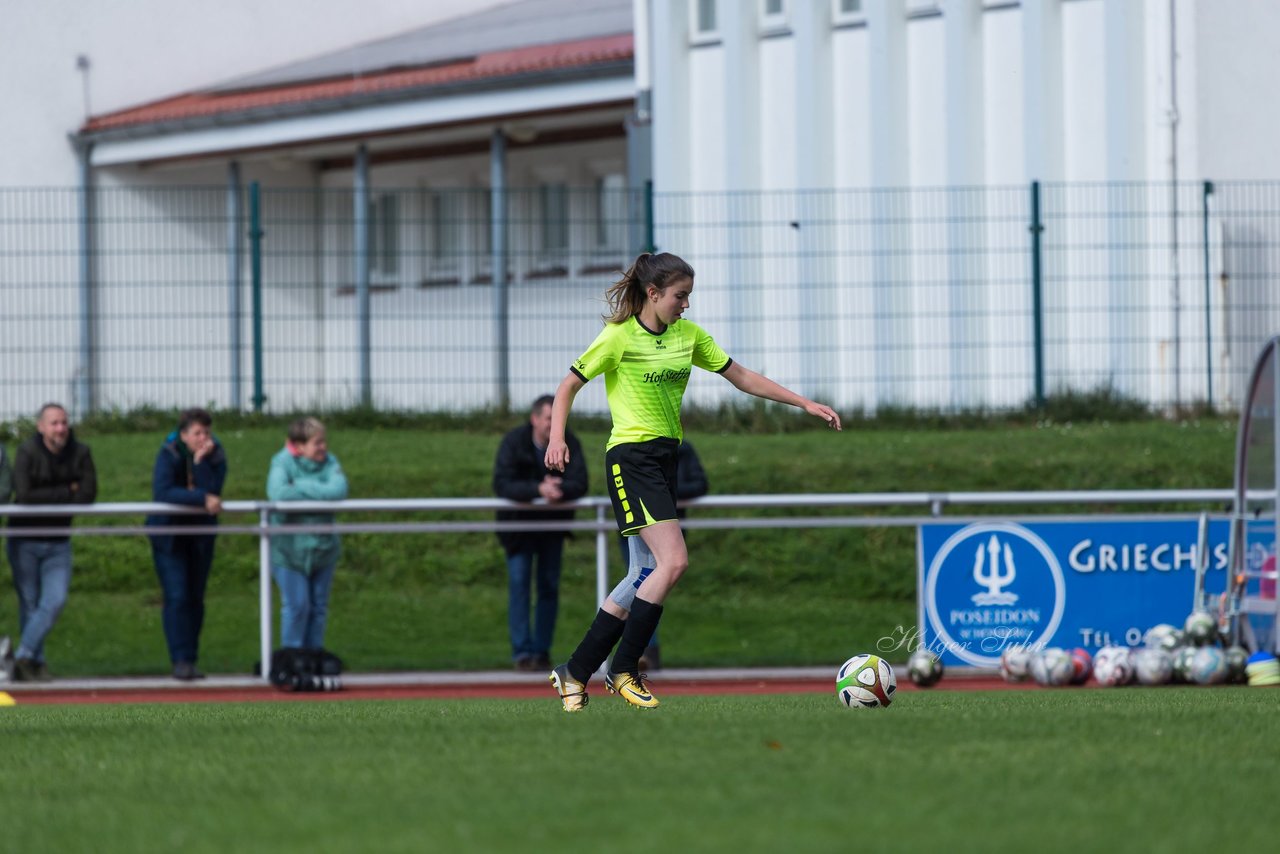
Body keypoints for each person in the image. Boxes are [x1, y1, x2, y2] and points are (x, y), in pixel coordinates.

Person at [545, 252, 841, 711]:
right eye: (680, 296)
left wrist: (802, 402)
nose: (686, 305)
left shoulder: (689, 336)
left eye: (688, 296)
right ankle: (623, 669)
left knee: (643, 573)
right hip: (631, 459)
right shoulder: (618, 338)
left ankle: (575, 671)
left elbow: (740, 376)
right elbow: (567, 386)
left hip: (665, 459)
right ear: (653, 293)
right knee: (674, 562)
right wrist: (557, 438)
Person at [493, 395, 589, 671]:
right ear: (535, 419)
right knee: (519, 586)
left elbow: (580, 481)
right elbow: (502, 483)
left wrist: (559, 490)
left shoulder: (569, 441)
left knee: (548, 587)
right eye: (549, 418)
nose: (553, 424)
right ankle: (522, 654)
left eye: (557, 417)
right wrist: (537, 489)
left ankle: (541, 651)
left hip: (552, 528)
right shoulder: (514, 442)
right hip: (518, 530)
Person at [5, 403, 97, 682]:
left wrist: (55, 495)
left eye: (63, 423)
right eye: (54, 423)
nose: (60, 429)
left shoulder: (80, 453)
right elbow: (25, 495)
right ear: (41, 426)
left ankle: (21, 654)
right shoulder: (27, 451)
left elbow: (88, 494)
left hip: (58, 541)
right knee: (30, 604)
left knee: (55, 600)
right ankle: (36, 664)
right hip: (24, 540)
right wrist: (67, 490)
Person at [145, 408, 227, 681]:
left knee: (195, 598)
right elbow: (164, 491)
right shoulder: (169, 453)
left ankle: (191, 658)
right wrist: (201, 498)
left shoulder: (216, 454)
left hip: (200, 536)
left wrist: (202, 462)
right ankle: (179, 659)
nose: (202, 438)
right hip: (170, 536)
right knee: (177, 596)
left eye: (206, 432)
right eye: (196, 433)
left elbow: (215, 489)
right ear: (183, 435)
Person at [615, 439, 708, 671]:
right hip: (640, 524)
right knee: (640, 583)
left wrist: (661, 496)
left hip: (664, 530)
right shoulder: (629, 446)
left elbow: (699, 484)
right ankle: (629, 655)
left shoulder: (680, 447)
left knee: (645, 583)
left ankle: (622, 657)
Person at [267, 417, 349, 651]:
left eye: (324, 442)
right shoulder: (282, 462)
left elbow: (338, 490)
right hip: (288, 552)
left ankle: (314, 655)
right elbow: (279, 493)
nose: (323, 447)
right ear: (299, 446)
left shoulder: (331, 462)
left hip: (323, 549)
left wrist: (300, 486)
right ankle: (292, 656)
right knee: (297, 606)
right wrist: (317, 490)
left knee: (318, 607)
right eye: (317, 443)